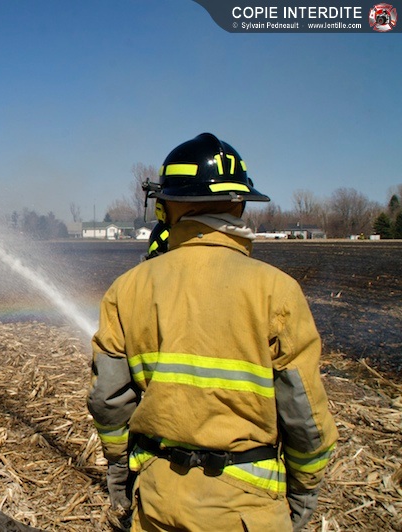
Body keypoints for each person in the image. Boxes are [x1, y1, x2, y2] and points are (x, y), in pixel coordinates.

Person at [87, 133, 338, 531]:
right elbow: (304, 415)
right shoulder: (276, 291)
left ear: (168, 205)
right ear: (239, 204)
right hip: (247, 511)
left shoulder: (127, 288)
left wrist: (119, 467)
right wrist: (304, 492)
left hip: (156, 502)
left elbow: (108, 399)